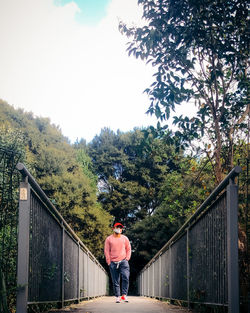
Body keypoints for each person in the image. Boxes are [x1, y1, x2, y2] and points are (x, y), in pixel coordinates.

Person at [104, 222, 131, 303]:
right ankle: (118, 296)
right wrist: (109, 262)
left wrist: (127, 258)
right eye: (117, 227)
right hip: (113, 262)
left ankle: (124, 295)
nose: (119, 228)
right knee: (115, 280)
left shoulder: (125, 238)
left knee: (125, 277)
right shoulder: (109, 239)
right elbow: (106, 251)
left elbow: (128, 249)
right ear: (113, 228)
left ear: (122, 229)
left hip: (123, 261)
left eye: (120, 227)